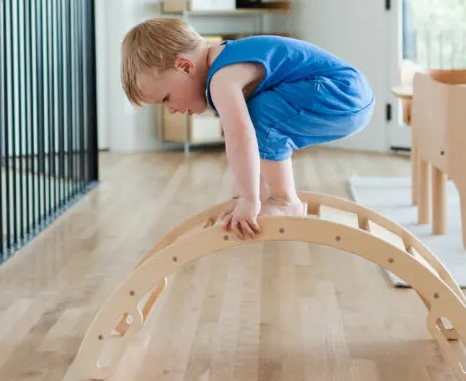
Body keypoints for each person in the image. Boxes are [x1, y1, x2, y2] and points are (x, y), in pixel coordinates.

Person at [121, 17, 374, 239]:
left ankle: (285, 200)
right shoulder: (225, 62)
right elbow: (250, 145)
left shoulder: (221, 78)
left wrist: (248, 198)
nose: (171, 110)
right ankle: (269, 195)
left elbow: (240, 136)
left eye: (166, 98)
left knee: (259, 114)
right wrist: (251, 192)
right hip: (350, 94)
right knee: (258, 114)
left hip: (342, 93)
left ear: (185, 66)